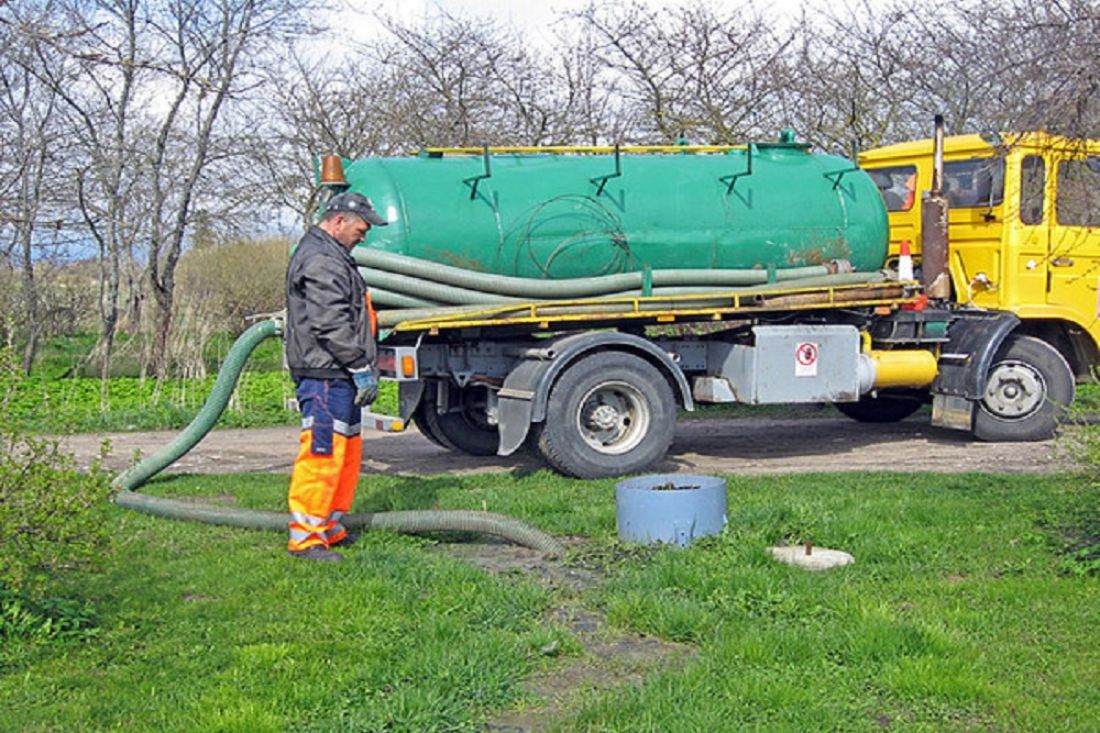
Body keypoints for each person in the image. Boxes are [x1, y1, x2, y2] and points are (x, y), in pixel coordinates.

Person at [284, 191, 388, 562]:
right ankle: (307, 539)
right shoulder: (322, 261)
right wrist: (359, 365)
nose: (365, 236)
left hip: (335, 371)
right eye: (361, 228)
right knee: (323, 452)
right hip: (327, 372)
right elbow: (330, 322)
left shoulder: (332, 256)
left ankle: (328, 526)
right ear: (339, 221)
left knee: (345, 452)